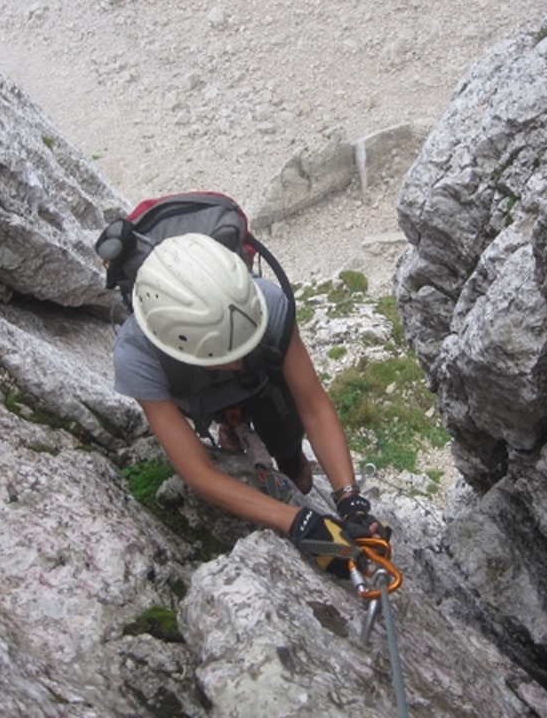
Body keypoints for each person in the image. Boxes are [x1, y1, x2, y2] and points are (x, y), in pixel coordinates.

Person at [112, 232, 390, 577]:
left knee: (293, 462)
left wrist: (350, 502)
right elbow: (199, 472)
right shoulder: (138, 355)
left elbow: (314, 406)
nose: (239, 362)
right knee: (233, 422)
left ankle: (288, 459)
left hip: (264, 383)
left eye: (246, 345)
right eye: (225, 358)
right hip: (197, 399)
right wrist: (298, 522)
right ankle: (231, 424)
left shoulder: (268, 302)